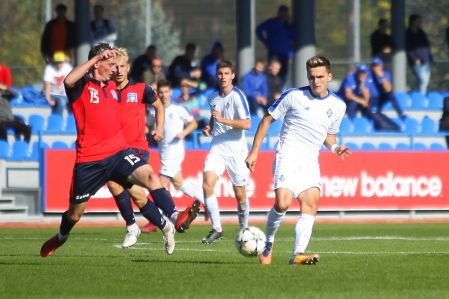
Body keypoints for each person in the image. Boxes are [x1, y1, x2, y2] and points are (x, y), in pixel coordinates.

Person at [39, 43, 176, 257]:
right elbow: (68, 80)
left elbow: (140, 96)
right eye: (110, 64)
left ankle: (174, 217)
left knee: (150, 176)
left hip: (119, 153)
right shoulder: (81, 87)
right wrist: (96, 59)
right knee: (74, 215)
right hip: (89, 161)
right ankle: (61, 236)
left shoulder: (112, 85)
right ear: (97, 63)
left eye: (117, 65)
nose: (115, 69)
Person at [246, 55, 351, 265]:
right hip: (288, 155)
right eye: (312, 77)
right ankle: (268, 244)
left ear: (329, 76)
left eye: (320, 76)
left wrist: (336, 148)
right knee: (282, 203)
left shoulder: (338, 106)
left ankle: (297, 254)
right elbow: (267, 119)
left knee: (311, 204)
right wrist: (254, 151)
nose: (316, 81)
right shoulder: (293, 96)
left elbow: (327, 136)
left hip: (311, 160)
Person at [107, 48, 200, 247]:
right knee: (139, 198)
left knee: (126, 182)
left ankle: (168, 217)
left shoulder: (142, 89)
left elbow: (158, 107)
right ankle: (165, 227)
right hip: (114, 149)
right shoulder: (106, 91)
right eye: (115, 66)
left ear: (128, 67)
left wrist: (158, 129)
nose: (119, 70)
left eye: (122, 66)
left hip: (136, 148)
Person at [201, 60, 251, 244]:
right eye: (220, 73)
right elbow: (215, 120)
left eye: (226, 74)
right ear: (217, 75)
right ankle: (217, 228)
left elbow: (247, 124)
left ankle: (245, 229)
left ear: (233, 75)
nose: (223, 77)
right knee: (207, 184)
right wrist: (210, 128)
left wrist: (224, 120)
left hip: (236, 150)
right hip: (218, 147)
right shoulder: (213, 97)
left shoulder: (238, 97)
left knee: (240, 194)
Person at [256, 5, 298, 83]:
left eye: (286, 13)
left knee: (283, 74)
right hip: (274, 52)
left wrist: (291, 52)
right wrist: (266, 42)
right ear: (279, 13)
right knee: (272, 71)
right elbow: (259, 30)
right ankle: (271, 91)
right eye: (282, 12)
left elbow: (294, 37)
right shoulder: (271, 22)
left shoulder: (288, 26)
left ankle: (280, 92)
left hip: (285, 54)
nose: (284, 14)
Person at [406, 14, 432, 95]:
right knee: (422, 80)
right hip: (416, 62)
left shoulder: (421, 32)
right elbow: (408, 48)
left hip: (426, 61)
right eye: (418, 21)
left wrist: (430, 58)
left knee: (425, 81)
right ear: (413, 22)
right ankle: (420, 96)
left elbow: (427, 46)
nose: (420, 23)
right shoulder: (408, 33)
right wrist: (414, 59)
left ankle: (419, 96)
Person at [43, 51, 73, 116]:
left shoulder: (68, 67)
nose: (59, 64)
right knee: (62, 102)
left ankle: (72, 120)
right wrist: (48, 98)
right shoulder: (49, 68)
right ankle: (58, 120)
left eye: (61, 62)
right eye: (57, 62)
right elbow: (47, 84)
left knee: (73, 103)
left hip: (65, 94)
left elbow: (72, 82)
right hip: (53, 94)